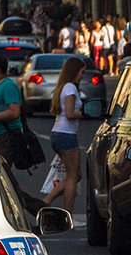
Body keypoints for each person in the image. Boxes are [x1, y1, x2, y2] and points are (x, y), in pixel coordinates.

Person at [43, 58, 86, 210]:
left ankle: (46, 202)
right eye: (82, 72)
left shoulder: (64, 87)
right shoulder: (71, 88)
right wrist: (83, 113)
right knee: (73, 177)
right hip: (66, 134)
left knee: (75, 174)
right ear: (74, 71)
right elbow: (69, 113)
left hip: (59, 133)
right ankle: (67, 214)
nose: (82, 76)